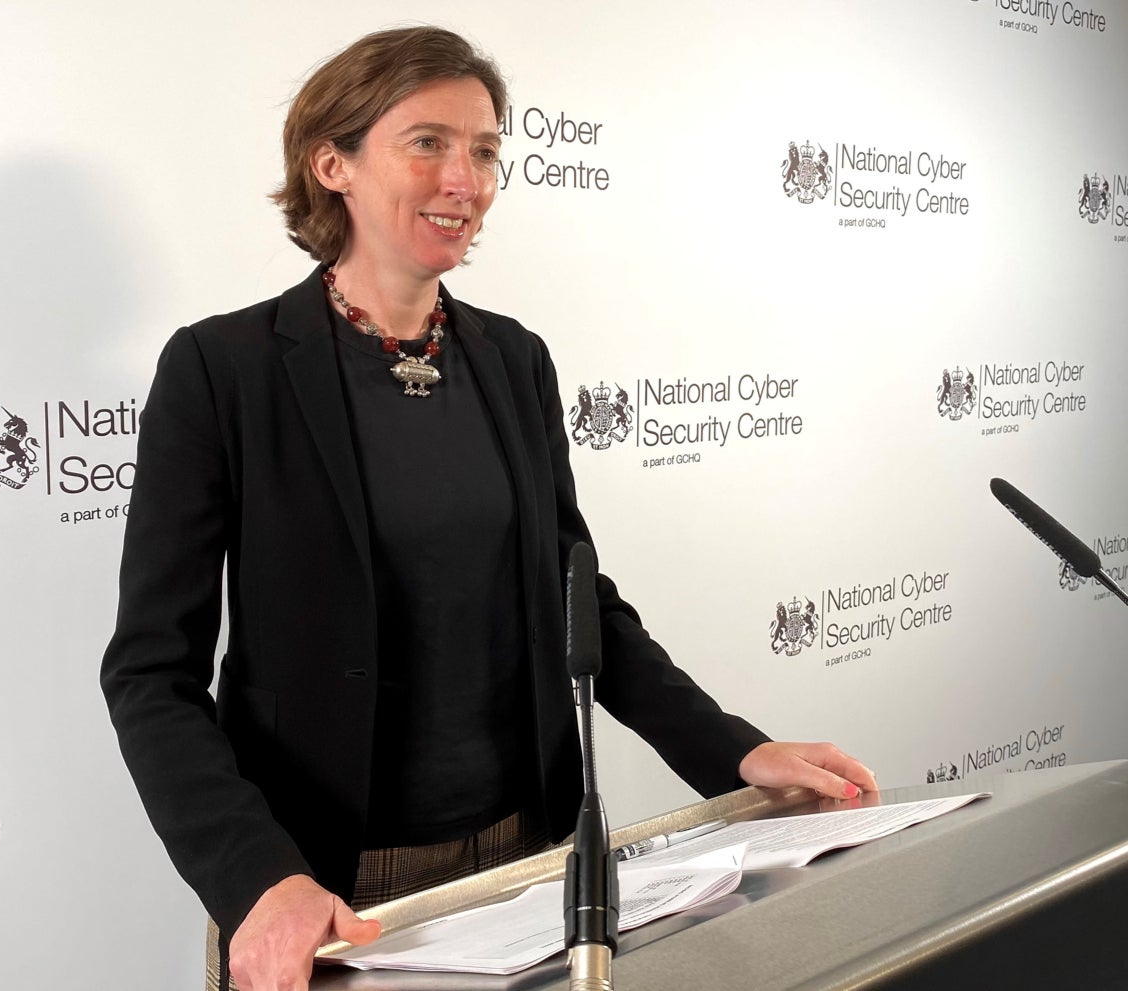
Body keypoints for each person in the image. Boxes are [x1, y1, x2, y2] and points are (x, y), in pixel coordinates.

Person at [100, 25, 876, 991]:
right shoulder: (223, 370)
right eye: (428, 143)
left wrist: (735, 750)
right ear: (330, 162)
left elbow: (580, 602)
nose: (465, 178)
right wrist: (259, 880)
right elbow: (150, 675)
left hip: (527, 859)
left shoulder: (515, 359)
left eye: (485, 149)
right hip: (327, 891)